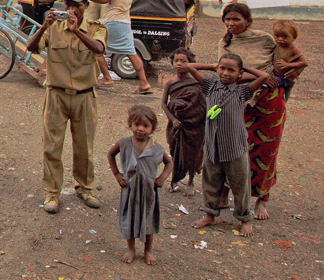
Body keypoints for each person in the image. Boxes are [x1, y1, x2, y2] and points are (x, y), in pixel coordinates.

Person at [25, 0, 108, 213]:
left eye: (76, 5)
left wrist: (77, 31)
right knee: (51, 146)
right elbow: (31, 48)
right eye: (67, 4)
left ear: (86, 6)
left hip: (84, 96)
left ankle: (85, 188)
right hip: (57, 95)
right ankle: (52, 193)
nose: (71, 9)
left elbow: (99, 49)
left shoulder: (94, 28)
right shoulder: (54, 27)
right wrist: (44, 27)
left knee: (84, 147)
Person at [186, 53, 269, 237]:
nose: (225, 73)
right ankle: (209, 214)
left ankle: (245, 218)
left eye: (232, 70)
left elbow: (263, 77)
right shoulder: (210, 86)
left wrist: (244, 68)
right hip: (212, 147)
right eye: (222, 68)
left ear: (239, 74)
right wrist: (213, 65)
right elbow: (191, 67)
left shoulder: (242, 91)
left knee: (240, 184)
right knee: (211, 182)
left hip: (234, 148)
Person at [216, 3, 286, 220]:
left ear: (248, 20)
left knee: (266, 151)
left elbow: (286, 64)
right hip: (239, 102)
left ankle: (262, 199)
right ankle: (225, 193)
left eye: (236, 19)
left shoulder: (266, 39)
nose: (231, 23)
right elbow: (226, 74)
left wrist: (280, 77)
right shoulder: (225, 43)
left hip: (269, 103)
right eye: (227, 19)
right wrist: (259, 78)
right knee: (233, 148)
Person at [107, 105, 173, 264]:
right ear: (130, 125)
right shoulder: (124, 143)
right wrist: (117, 174)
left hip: (149, 192)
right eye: (136, 125)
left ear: (153, 128)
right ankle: (131, 249)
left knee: (148, 220)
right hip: (129, 190)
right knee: (129, 219)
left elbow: (169, 162)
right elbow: (110, 154)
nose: (140, 129)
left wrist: (162, 178)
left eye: (146, 126)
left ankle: (148, 250)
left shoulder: (156, 148)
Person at [90, 0, 152, 94]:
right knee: (132, 54)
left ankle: (107, 78)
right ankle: (144, 83)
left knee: (96, 49)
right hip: (124, 21)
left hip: (113, 22)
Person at [162, 48, 205, 196]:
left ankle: (191, 181)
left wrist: (196, 118)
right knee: (175, 152)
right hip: (176, 125)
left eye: (183, 61)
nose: (179, 64)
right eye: (176, 61)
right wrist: (173, 119)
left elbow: (201, 104)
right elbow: (164, 104)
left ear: (191, 63)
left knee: (193, 153)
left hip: (194, 125)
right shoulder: (170, 83)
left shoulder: (197, 83)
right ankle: (174, 180)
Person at [271, 20, 308, 102]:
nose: (280, 39)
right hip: (277, 75)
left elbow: (305, 62)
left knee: (284, 95)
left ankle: (255, 100)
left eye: (285, 36)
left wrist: (288, 65)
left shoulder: (293, 49)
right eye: (277, 36)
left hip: (287, 78)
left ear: (293, 37)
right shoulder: (277, 46)